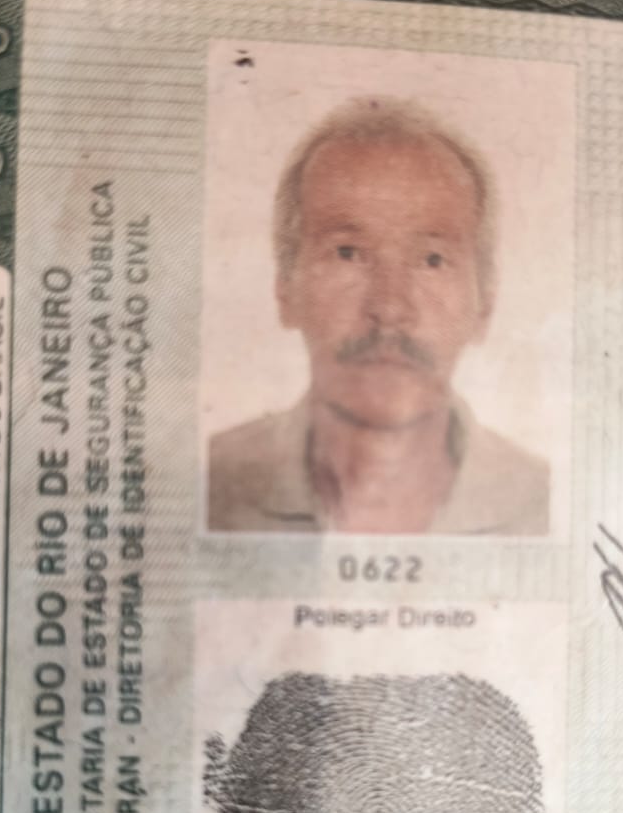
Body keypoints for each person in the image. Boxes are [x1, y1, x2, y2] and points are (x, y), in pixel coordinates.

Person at [207, 97, 549, 535]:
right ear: (285, 287)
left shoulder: (548, 506)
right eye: (348, 253)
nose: (389, 308)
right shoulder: (206, 486)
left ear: (484, 304)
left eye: (432, 260)